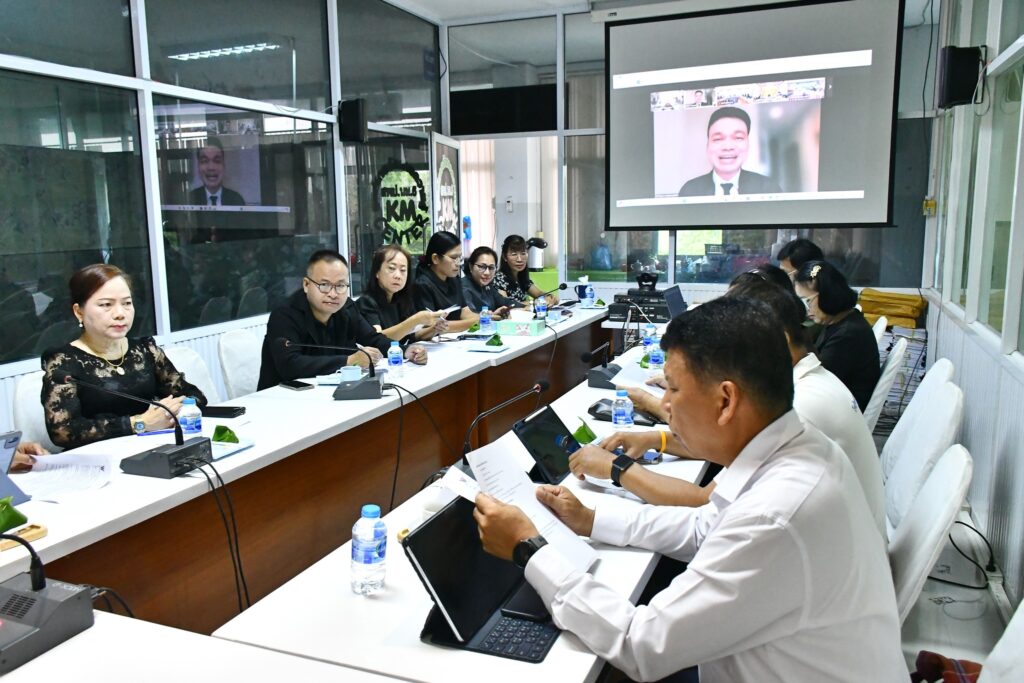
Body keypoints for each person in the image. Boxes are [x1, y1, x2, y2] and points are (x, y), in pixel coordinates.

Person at [474, 297, 904, 682]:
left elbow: (640, 646)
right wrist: (589, 519)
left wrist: (529, 550)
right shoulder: (798, 445)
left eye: (674, 389)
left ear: (726, 401)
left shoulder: (776, 513)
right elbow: (704, 527)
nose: (664, 405)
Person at [574, 276, 888, 540]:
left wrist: (617, 469)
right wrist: (659, 440)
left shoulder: (801, 407)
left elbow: (706, 504)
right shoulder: (801, 385)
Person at [40, 264, 208, 450]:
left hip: (154, 449)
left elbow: (195, 397)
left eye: (127, 303)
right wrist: (140, 423)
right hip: (101, 458)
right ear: (79, 311)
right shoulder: (64, 361)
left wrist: (170, 412)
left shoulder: (145, 350)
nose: (120, 314)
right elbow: (63, 431)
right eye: (106, 305)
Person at [258, 250, 427, 390]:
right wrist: (349, 361)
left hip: (335, 392)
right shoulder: (284, 315)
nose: (333, 294)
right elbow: (290, 365)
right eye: (324, 285)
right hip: (284, 399)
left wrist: (405, 351)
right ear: (306, 285)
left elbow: (372, 339)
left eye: (340, 286)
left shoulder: (346, 308)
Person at [794, 260, 879, 411]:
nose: (806, 310)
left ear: (827, 296)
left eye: (807, 301)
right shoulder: (842, 320)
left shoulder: (848, 334)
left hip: (843, 411)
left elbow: (817, 382)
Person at [677, 106, 783, 197]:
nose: (728, 147)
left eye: (738, 138)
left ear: (748, 144)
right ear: (707, 146)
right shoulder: (689, 191)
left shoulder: (769, 189)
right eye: (718, 139)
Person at [357, 245, 448, 343]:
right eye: (391, 268)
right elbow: (377, 340)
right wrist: (415, 320)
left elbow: (413, 335)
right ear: (377, 272)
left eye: (403, 270)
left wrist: (434, 329)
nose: (398, 276)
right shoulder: (366, 302)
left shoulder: (401, 299)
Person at [413, 231, 479, 334]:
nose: (458, 263)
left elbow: (465, 312)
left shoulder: (454, 279)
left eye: (460, 257)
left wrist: (485, 318)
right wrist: (473, 322)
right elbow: (433, 326)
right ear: (435, 258)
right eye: (453, 258)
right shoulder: (422, 284)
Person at [493, 235, 558, 306]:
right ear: (505, 257)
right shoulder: (499, 278)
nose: (519, 259)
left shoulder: (521, 277)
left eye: (523, 253)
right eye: (514, 254)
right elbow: (506, 304)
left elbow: (539, 293)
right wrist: (535, 302)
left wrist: (549, 297)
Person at [461, 246, 518, 318]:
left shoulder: (487, 286)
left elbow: (505, 302)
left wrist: (525, 307)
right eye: (482, 267)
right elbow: (468, 316)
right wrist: (491, 316)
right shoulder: (463, 287)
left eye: (491, 268)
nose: (487, 273)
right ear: (471, 267)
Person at [188, 137, 246, 207]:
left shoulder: (236, 200)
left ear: (224, 166)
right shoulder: (190, 199)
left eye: (217, 161)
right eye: (204, 161)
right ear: (198, 166)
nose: (211, 167)